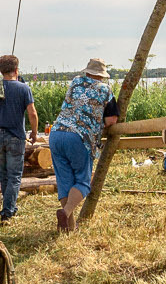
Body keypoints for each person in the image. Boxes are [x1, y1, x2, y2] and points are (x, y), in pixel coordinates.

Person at [48, 58, 119, 232]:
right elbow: (111, 120)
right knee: (83, 181)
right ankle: (65, 213)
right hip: (79, 138)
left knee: (65, 181)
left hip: (56, 133)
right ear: (101, 75)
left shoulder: (75, 82)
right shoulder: (105, 90)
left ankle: (68, 228)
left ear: (87, 71)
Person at [0, 53, 38, 222]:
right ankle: (7, 212)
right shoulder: (23, 88)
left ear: (0, 70)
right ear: (16, 70)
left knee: (4, 174)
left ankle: (9, 206)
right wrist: (34, 132)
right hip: (15, 136)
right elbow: (32, 113)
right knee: (14, 176)